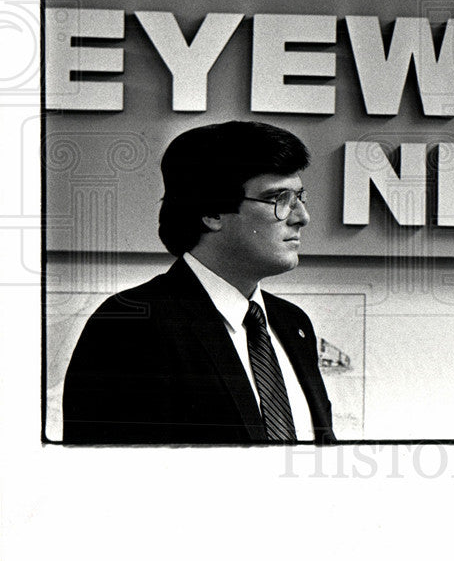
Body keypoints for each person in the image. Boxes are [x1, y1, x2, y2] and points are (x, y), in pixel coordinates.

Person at [62, 120, 335, 444]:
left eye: (300, 197)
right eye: (279, 199)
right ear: (213, 211)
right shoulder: (131, 323)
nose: (302, 216)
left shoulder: (292, 323)